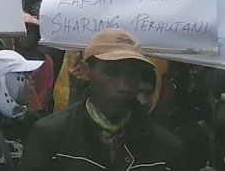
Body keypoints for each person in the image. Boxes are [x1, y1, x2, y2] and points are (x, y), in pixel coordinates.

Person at [20, 28, 184, 171]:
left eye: (132, 74)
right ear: (85, 71)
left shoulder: (165, 147)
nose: (123, 86)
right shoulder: (50, 135)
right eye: (111, 73)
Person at [15, 13, 54, 115]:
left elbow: (46, 90)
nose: (26, 35)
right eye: (23, 30)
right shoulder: (11, 58)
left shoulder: (45, 60)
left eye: (30, 31)